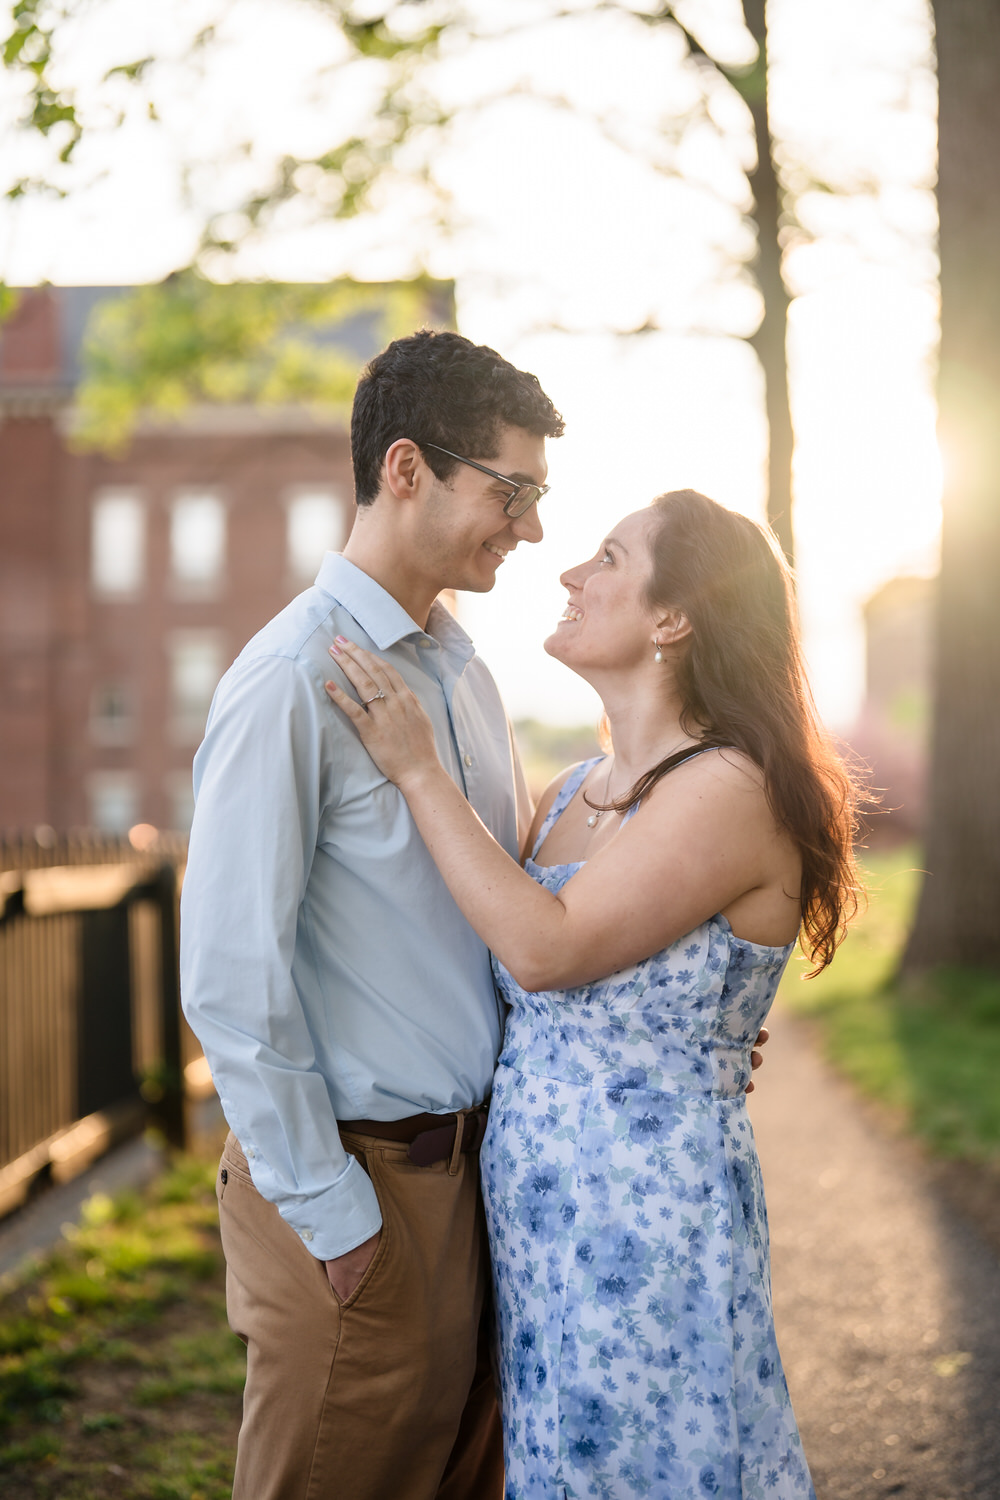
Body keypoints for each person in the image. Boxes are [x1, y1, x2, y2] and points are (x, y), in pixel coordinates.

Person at [323, 488, 862, 1500]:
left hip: (647, 1232)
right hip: (540, 1227)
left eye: (607, 557)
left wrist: (416, 770)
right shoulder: (573, 792)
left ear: (674, 617)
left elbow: (544, 950)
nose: (569, 574)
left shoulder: (727, 787)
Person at [179, 328, 566, 1500]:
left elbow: (502, 911)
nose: (533, 529)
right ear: (407, 469)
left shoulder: (463, 672)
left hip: (469, 1185)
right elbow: (229, 978)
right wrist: (334, 1217)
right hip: (357, 1191)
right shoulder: (292, 680)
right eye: (513, 491)